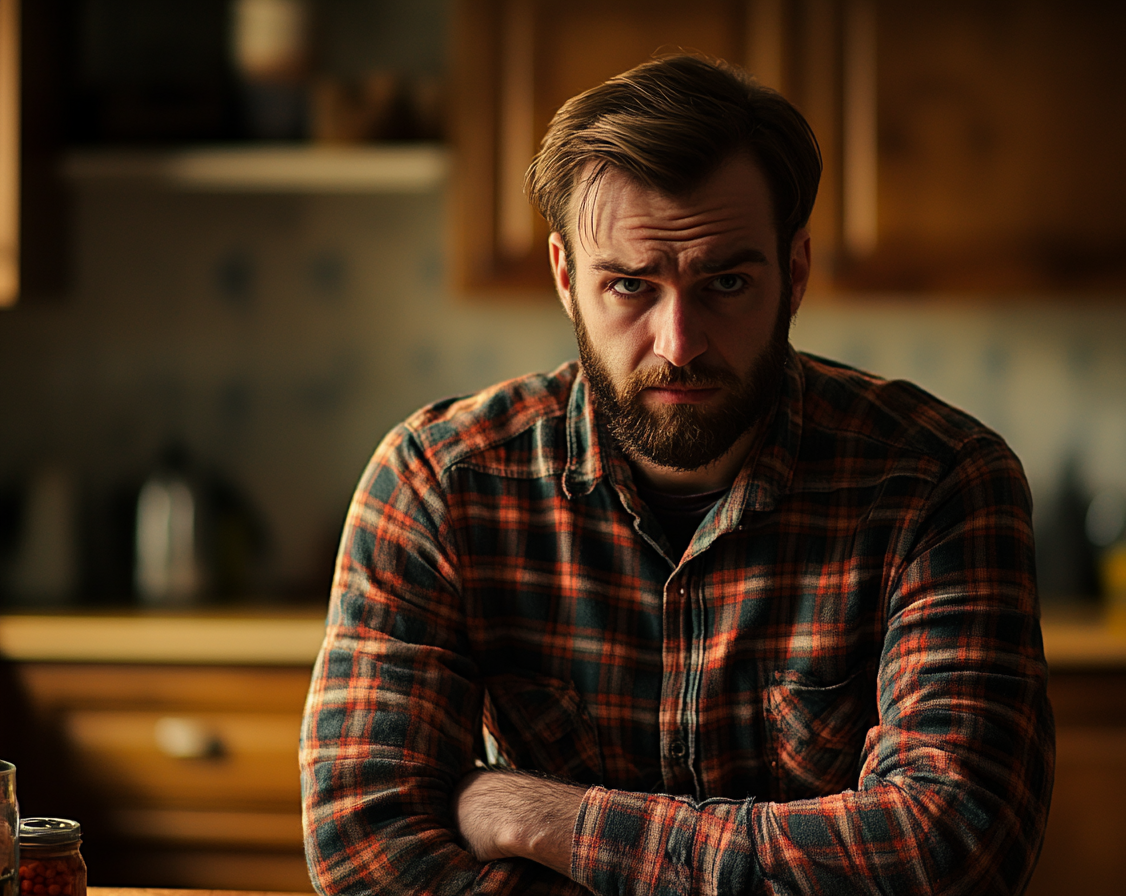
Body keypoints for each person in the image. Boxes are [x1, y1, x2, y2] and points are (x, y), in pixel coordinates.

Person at [300, 54, 1053, 896]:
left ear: (794, 273)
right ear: (565, 279)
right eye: (630, 285)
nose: (679, 341)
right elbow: (365, 851)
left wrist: (549, 820)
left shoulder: (941, 482)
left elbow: (957, 847)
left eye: (726, 281)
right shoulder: (438, 482)